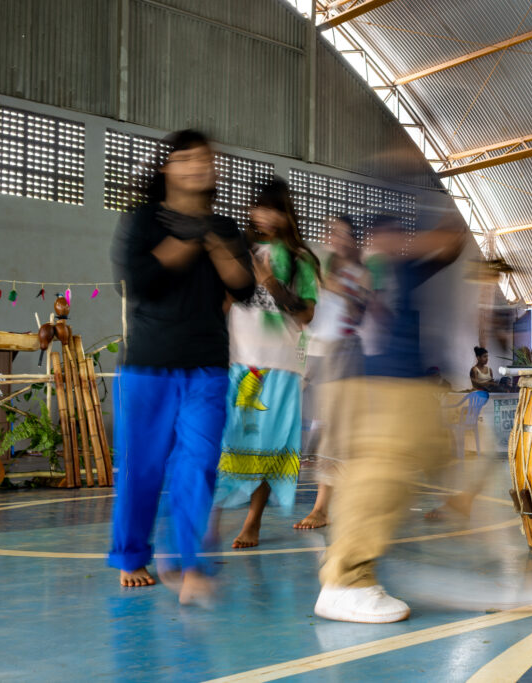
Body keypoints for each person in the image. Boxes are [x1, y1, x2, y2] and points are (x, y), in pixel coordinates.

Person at [109, 130, 255, 601]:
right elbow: (139, 280)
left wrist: (210, 239)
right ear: (165, 167)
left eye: (206, 158)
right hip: (148, 364)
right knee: (142, 468)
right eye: (186, 158)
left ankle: (189, 561)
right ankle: (132, 555)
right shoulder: (144, 219)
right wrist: (185, 239)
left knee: (200, 463)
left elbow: (244, 287)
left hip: (206, 365)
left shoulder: (224, 227)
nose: (198, 165)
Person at [314, 211, 464, 623]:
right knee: (379, 475)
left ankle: (347, 564)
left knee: (420, 461)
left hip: (407, 384)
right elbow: (343, 308)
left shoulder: (403, 267)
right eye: (384, 236)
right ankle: (346, 582)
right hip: (376, 384)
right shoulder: (363, 269)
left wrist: (421, 241)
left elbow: (451, 244)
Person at [213, 178, 319, 549]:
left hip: (282, 367)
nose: (265, 216)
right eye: (260, 207)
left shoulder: (301, 260)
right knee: (229, 441)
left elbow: (306, 315)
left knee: (268, 447)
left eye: (274, 209)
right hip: (240, 362)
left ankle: (253, 522)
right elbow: (224, 302)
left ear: (287, 214)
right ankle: (213, 520)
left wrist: (270, 280)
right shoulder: (239, 251)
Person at [295, 216, 370, 531]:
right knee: (306, 423)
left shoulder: (360, 273)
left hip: (343, 352)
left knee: (332, 431)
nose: (335, 237)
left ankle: (322, 507)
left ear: (352, 240)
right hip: (312, 350)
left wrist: (337, 287)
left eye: (342, 233)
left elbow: (359, 315)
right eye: (331, 232)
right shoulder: (317, 267)